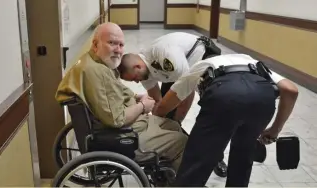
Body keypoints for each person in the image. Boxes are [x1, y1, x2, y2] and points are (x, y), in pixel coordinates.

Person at [55, 22, 188, 172]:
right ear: (95, 44)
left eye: (121, 45)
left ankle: (164, 175)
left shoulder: (94, 63)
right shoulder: (98, 72)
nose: (118, 50)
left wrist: (136, 97)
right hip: (124, 137)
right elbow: (117, 119)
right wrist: (143, 106)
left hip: (126, 127)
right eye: (112, 43)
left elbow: (117, 92)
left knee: (174, 125)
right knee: (182, 142)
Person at [153, 53, 299, 187]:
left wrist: (156, 121)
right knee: (243, 157)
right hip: (262, 98)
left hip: (224, 95)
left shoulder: (200, 66)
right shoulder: (255, 64)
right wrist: (274, 131)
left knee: (197, 161)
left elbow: (166, 104)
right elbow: (291, 90)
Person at [117, 32, 228, 177]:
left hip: (202, 67)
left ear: (137, 66)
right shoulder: (144, 71)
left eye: (134, 78)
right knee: (167, 118)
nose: (137, 82)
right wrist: (160, 120)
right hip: (178, 72)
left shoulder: (165, 56)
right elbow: (158, 100)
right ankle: (168, 161)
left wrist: (177, 121)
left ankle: (216, 158)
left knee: (208, 120)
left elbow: (186, 92)